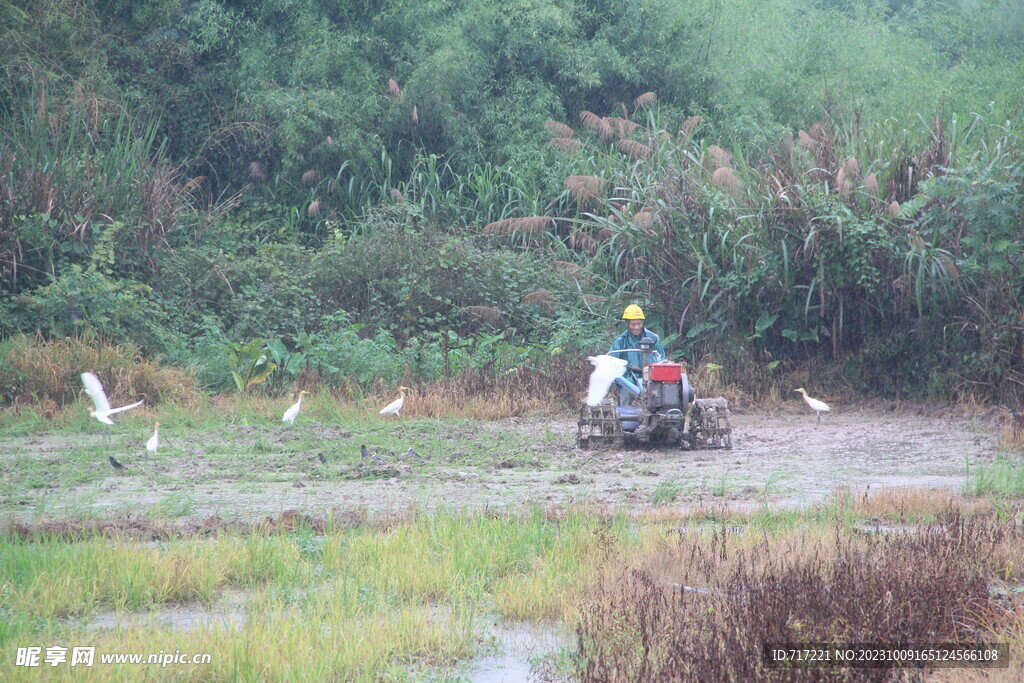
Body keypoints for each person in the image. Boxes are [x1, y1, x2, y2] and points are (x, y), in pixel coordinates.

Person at [608, 304, 666, 405]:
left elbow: (661, 358)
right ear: (627, 323)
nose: (636, 327)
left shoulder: (652, 338)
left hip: (651, 376)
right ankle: (625, 415)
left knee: (662, 391)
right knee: (627, 387)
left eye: (639, 324)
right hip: (629, 376)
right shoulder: (621, 341)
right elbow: (611, 360)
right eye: (633, 324)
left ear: (642, 323)